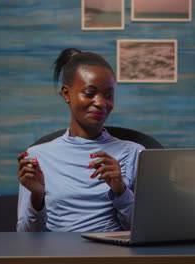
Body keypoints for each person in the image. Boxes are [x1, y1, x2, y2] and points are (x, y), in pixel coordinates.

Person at [16, 48, 145, 232]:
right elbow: (25, 237)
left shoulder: (134, 153)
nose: (101, 103)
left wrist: (121, 190)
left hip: (112, 257)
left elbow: (143, 231)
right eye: (90, 93)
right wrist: (37, 197)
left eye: (108, 95)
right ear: (67, 94)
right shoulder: (37, 156)